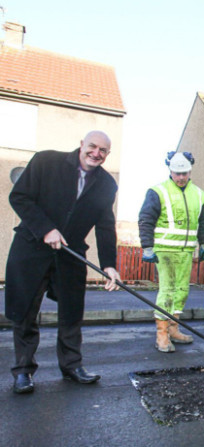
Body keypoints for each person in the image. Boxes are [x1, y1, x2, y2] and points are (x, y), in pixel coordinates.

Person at [5, 130, 121, 394]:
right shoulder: (46, 162)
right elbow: (19, 197)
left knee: (71, 312)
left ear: (107, 154)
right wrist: (46, 228)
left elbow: (105, 225)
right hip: (31, 249)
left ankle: (71, 366)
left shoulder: (106, 185)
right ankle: (23, 371)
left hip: (71, 253)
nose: (96, 153)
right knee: (25, 312)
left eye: (103, 151)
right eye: (92, 147)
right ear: (81, 145)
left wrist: (109, 265)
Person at [138, 151, 204, 353]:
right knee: (167, 291)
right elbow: (146, 218)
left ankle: (173, 328)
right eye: (177, 173)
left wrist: (203, 244)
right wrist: (147, 246)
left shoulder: (199, 194)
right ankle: (161, 334)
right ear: (170, 170)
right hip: (165, 250)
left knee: (182, 291)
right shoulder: (158, 191)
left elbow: (203, 222)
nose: (180, 177)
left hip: (186, 251)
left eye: (184, 173)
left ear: (190, 171)